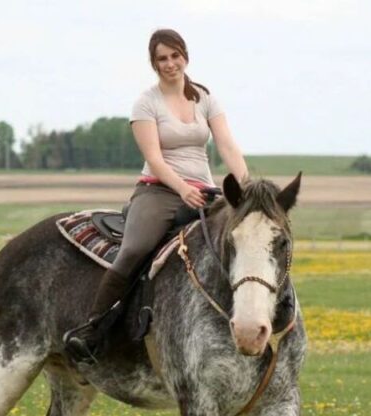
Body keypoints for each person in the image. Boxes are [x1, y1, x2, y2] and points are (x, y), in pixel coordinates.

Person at [64, 28, 249, 361]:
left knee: (243, 242)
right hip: (159, 191)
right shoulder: (145, 103)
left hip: (205, 191)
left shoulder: (204, 98)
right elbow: (155, 158)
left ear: (185, 56)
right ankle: (92, 330)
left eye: (175, 56)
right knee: (134, 249)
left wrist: (245, 185)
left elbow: (226, 145)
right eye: (162, 58)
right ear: (153, 64)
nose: (170, 64)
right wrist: (182, 188)